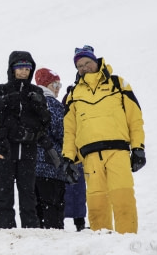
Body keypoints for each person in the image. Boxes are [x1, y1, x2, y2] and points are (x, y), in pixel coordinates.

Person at [62, 45, 146, 234]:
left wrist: (138, 147)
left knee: (123, 201)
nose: (84, 68)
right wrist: (68, 158)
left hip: (118, 152)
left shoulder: (118, 84)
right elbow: (70, 130)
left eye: (87, 63)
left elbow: (135, 118)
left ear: (96, 61)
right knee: (96, 206)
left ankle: (127, 243)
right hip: (90, 157)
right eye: (79, 66)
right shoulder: (74, 94)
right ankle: (101, 246)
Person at [0, 51, 60, 229]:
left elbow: (46, 122)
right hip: (5, 148)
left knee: (28, 194)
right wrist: (7, 99)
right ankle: (6, 230)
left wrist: (40, 104)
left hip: (28, 149)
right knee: (4, 194)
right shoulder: (0, 89)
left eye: (27, 68)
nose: (23, 72)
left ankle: (30, 231)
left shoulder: (36, 91)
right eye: (20, 68)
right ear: (12, 69)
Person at [33, 67, 68, 229]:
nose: (58, 89)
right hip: (51, 167)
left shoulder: (29, 101)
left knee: (36, 213)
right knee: (53, 213)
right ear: (46, 85)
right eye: (55, 85)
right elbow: (63, 134)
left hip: (30, 168)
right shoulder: (53, 105)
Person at [61, 85, 87, 232]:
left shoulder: (70, 99)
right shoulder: (71, 100)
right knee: (75, 191)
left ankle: (78, 222)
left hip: (75, 154)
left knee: (76, 191)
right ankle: (79, 223)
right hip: (73, 153)